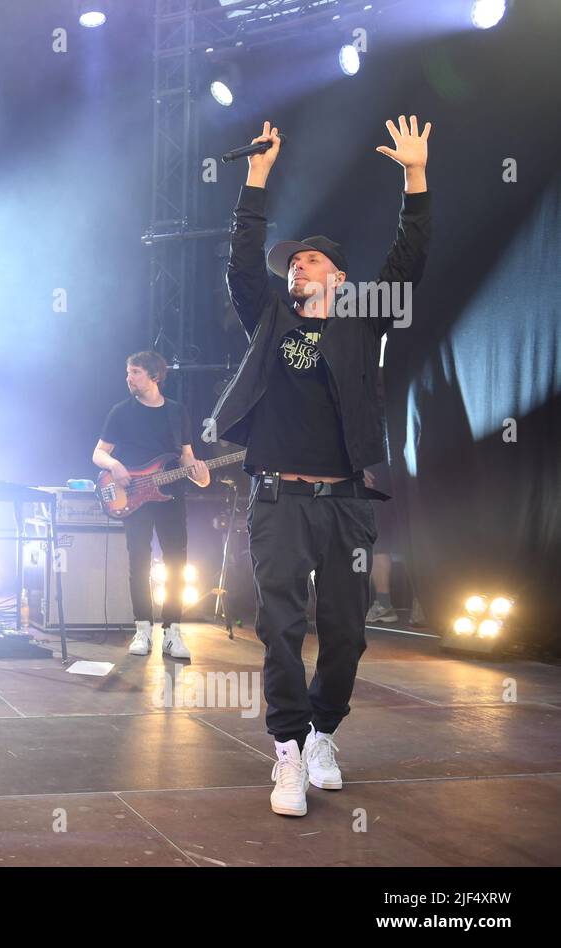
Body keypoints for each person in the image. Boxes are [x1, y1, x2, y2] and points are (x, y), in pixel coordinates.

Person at [209, 116, 432, 817]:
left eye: (309, 261)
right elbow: (242, 263)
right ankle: (285, 751)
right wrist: (256, 176)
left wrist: (415, 178)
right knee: (279, 626)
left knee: (346, 631)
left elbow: (409, 259)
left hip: (345, 502)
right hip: (278, 498)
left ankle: (322, 735)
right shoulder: (271, 319)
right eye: (293, 262)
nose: (296, 267)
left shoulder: (365, 317)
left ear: (338, 274)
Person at [93, 350, 210, 659]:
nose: (128, 378)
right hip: (134, 495)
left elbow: (186, 454)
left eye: (135, 372)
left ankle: (172, 631)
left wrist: (200, 475)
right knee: (139, 562)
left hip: (171, 495)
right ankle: (142, 629)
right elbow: (98, 453)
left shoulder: (176, 412)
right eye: (128, 372)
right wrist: (115, 466)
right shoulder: (120, 411)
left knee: (176, 564)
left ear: (154, 376)